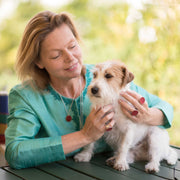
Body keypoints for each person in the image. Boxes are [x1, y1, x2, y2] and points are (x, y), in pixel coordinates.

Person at [5, 10, 173, 169]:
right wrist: (84, 136)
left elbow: (164, 108)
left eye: (72, 46)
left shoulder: (105, 77)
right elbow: (15, 153)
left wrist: (148, 115)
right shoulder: (26, 96)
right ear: (38, 62)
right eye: (56, 55)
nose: (70, 58)